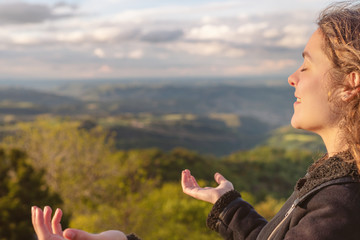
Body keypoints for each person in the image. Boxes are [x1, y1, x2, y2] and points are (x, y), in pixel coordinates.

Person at [32, 1, 360, 240]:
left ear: (350, 83)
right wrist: (227, 203)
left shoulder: (341, 203)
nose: (292, 77)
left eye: (306, 66)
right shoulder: (331, 183)